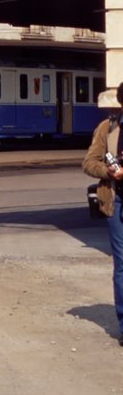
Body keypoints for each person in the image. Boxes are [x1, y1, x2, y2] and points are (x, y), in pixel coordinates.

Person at [83, 82, 123, 347]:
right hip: (117, 202)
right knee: (122, 265)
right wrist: (107, 172)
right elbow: (89, 162)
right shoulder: (107, 128)